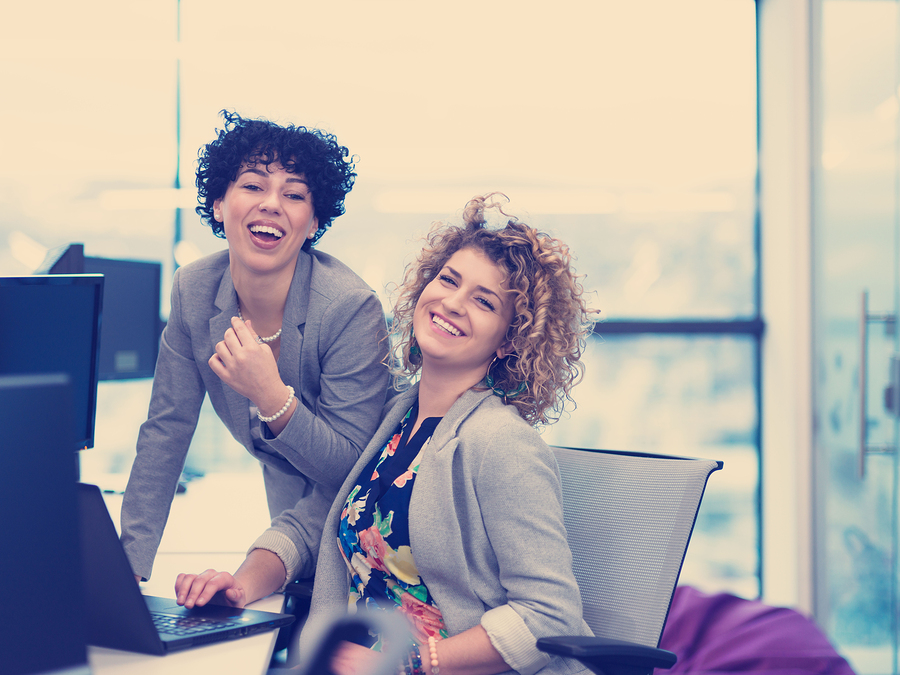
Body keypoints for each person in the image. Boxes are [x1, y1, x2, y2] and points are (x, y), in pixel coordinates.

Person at [175, 194, 595, 675]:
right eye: (448, 280)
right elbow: (315, 521)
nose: (452, 303)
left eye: (483, 301)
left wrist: (415, 661)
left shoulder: (502, 443)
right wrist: (242, 585)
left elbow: (548, 616)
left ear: (509, 341)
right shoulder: (398, 415)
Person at [120, 110, 390, 594]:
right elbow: (167, 429)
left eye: (294, 195)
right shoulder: (195, 290)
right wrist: (126, 568)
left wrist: (273, 398)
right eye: (252, 186)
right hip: (288, 521)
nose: (271, 204)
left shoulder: (350, 308)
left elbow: (351, 466)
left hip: (367, 520)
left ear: (314, 222)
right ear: (219, 204)